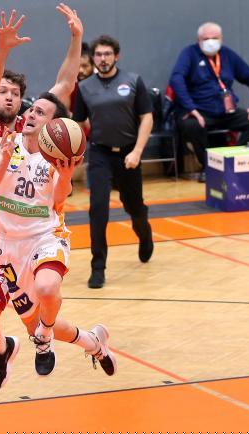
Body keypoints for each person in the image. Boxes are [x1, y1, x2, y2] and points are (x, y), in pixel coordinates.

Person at [0, 5, 115, 432]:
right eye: (2, 90)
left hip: (19, 243)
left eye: (15, 93)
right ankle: (68, 343)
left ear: (23, 101)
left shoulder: (33, 133)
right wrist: (0, 51)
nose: (8, 97)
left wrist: (77, 39)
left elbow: (63, 86)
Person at [73, 35, 155, 289]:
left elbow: (147, 117)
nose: (103, 59)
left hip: (129, 153)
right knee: (98, 208)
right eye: (98, 54)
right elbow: (79, 122)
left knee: (134, 207)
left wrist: (137, 151)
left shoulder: (132, 81)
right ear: (93, 58)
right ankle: (98, 267)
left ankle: (144, 233)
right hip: (100, 154)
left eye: (107, 54)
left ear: (116, 56)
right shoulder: (84, 87)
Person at [169, 22, 249, 183]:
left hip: (226, 111)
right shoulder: (189, 54)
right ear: (198, 40)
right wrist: (191, 108)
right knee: (191, 125)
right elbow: (176, 79)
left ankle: (235, 161)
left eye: (214, 38)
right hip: (200, 111)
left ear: (221, 39)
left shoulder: (228, 55)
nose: (210, 42)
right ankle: (209, 167)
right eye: (205, 38)